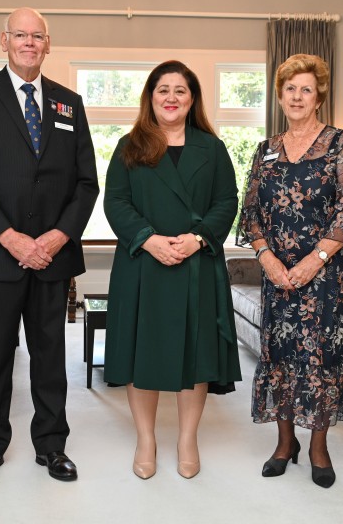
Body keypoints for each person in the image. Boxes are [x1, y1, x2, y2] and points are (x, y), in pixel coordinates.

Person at [0, 8, 99, 486]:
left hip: (53, 257)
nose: (29, 43)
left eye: (38, 37)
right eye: (21, 35)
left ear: (48, 44)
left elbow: (86, 184)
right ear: (4, 40)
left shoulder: (69, 103)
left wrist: (55, 237)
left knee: (51, 355)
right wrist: (12, 239)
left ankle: (52, 446)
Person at [237, 53, 343, 488]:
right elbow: (251, 213)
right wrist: (267, 258)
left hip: (327, 277)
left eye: (306, 89)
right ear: (280, 96)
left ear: (319, 97)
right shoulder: (266, 150)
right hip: (278, 277)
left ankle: (318, 446)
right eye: (290, 88)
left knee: (322, 360)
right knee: (279, 357)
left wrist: (314, 261)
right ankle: (284, 442)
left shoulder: (341, 143)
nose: (297, 96)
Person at [103, 60, 242, 480]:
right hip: (143, 265)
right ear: (151, 97)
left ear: (192, 99)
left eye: (180, 90)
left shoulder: (212, 148)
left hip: (196, 263)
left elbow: (226, 202)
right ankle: (146, 438)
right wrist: (150, 239)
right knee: (140, 355)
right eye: (163, 90)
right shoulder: (129, 146)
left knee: (194, 355)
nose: (171, 98)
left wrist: (196, 239)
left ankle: (187, 439)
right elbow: (115, 202)